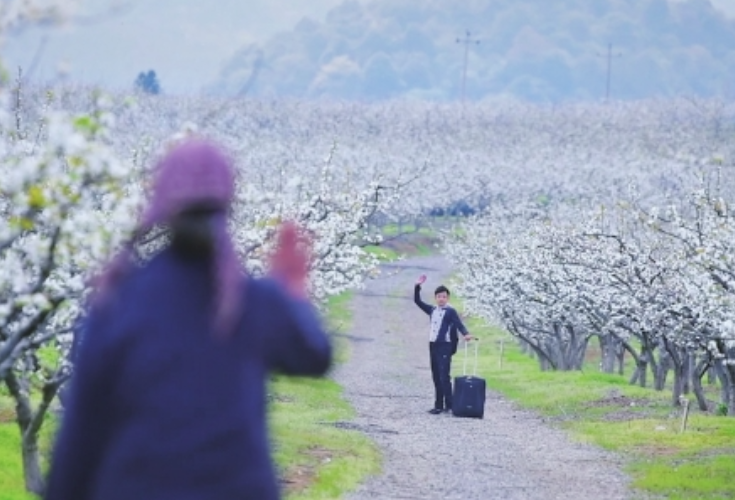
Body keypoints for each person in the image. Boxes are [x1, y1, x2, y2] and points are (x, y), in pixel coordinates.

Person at [44, 138, 332, 500]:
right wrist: (292, 293)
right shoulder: (253, 300)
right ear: (229, 199)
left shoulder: (118, 301)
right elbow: (314, 356)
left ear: (163, 202)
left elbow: (82, 431)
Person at [413, 274, 471, 415]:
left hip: (445, 345)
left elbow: (458, 323)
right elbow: (417, 301)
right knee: (436, 375)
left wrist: (466, 333)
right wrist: (417, 286)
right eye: (439, 296)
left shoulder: (450, 311)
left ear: (447, 298)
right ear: (435, 298)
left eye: (444, 296)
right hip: (433, 345)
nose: (441, 299)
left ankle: (449, 405)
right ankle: (438, 405)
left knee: (444, 376)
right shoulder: (432, 310)